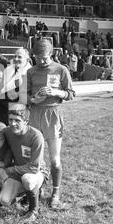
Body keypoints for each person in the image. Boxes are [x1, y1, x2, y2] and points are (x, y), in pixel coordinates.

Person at [26, 38, 75, 209]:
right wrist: (33, 99)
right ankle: (36, 190)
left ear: (52, 54)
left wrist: (56, 92)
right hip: (35, 114)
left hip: (53, 114)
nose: (41, 61)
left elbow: (71, 94)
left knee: (54, 159)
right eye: (38, 58)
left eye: (44, 58)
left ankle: (56, 193)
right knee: (35, 159)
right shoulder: (31, 71)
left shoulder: (61, 69)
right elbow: (23, 96)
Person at [0, 103, 48, 221]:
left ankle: (34, 209)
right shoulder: (8, 131)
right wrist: (5, 163)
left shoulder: (36, 136)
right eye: (10, 120)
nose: (13, 124)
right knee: (4, 200)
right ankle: (25, 193)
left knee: (28, 179)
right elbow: (5, 146)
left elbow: (33, 167)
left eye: (17, 120)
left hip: (36, 172)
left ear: (26, 120)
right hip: (18, 171)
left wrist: (8, 171)